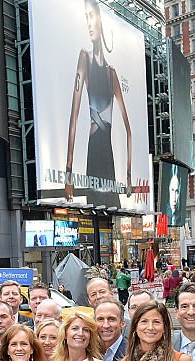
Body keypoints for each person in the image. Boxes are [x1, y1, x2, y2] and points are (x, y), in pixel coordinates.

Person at [63, 0, 133, 208]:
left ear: (101, 20)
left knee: (110, 210)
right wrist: (68, 174)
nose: (89, 23)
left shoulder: (112, 73)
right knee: (94, 211)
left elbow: (129, 130)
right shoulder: (84, 58)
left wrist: (128, 176)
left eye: (92, 16)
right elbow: (73, 117)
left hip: (108, 156)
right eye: (86, 17)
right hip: (93, 152)